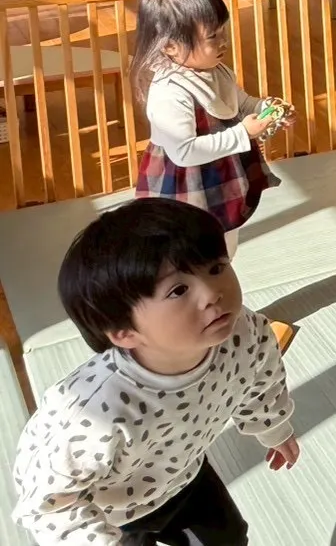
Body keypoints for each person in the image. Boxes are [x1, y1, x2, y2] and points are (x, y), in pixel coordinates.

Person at [11, 199, 298, 546]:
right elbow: (49, 504)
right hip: (110, 510)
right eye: (178, 290)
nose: (212, 294)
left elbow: (262, 378)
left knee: (230, 538)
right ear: (125, 332)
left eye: (216, 267)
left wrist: (273, 428)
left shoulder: (244, 332)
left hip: (182, 473)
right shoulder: (93, 413)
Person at [130, 0, 293, 256]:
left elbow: (240, 104)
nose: (223, 41)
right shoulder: (170, 90)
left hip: (221, 176)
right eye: (212, 37)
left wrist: (268, 110)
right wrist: (243, 133)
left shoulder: (215, 70)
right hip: (185, 186)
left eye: (222, 31)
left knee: (225, 244)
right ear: (170, 47)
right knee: (191, 250)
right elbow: (183, 152)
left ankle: (220, 279)